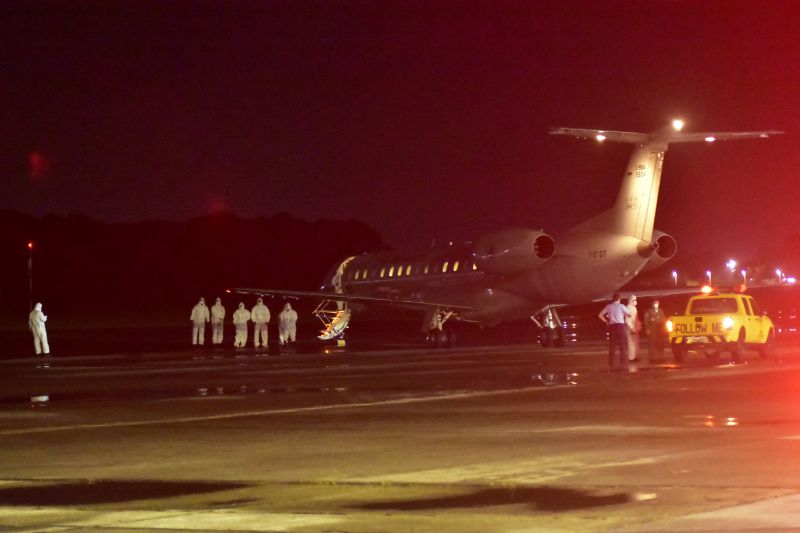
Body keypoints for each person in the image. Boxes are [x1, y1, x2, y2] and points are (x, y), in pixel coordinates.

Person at [598, 293, 631, 370]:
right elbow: (629, 314)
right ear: (619, 299)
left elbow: (600, 315)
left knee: (612, 346)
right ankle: (622, 362)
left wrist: (606, 322)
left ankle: (611, 363)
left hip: (612, 327)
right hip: (620, 326)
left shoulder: (608, 306)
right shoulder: (622, 306)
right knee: (622, 345)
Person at [626, 295, 641, 362]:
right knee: (631, 343)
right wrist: (631, 327)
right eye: (634, 300)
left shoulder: (634, 308)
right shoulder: (628, 308)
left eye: (635, 299)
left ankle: (634, 356)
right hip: (630, 328)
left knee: (635, 343)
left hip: (634, 327)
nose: (635, 301)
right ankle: (631, 358)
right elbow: (627, 319)